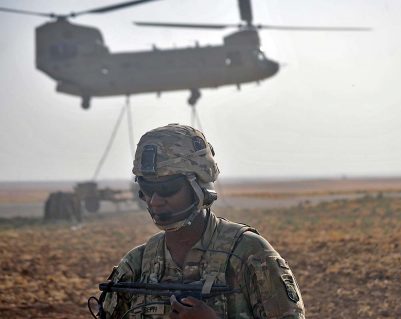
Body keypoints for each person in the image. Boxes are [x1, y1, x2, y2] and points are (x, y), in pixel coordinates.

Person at [101, 124, 305, 319]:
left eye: (167, 189)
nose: (155, 201)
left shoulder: (249, 254)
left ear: (199, 186)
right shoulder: (137, 264)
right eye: (146, 189)